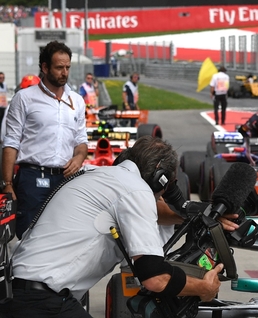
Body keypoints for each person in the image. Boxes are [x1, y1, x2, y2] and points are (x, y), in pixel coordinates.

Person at [7, 136, 224, 317]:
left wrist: (200, 214)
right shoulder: (136, 189)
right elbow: (155, 278)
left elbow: (158, 214)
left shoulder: (100, 176)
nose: (160, 199)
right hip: (42, 302)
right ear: (160, 179)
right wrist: (204, 288)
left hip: (18, 292)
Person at [2, 41, 88, 238]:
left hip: (65, 179)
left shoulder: (77, 101)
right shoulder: (24, 98)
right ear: (45, 67)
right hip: (32, 179)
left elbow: (81, 141)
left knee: (62, 237)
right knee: (28, 238)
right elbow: (11, 142)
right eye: (59, 67)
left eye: (67, 67)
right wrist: (7, 184)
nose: (64, 72)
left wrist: (79, 158)